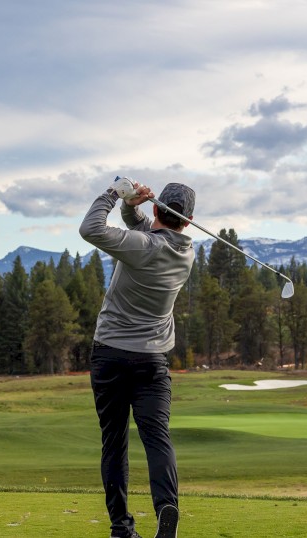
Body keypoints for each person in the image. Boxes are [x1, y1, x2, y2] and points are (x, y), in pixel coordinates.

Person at [79, 177, 196, 538]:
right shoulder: (185, 252)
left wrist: (115, 194)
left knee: (114, 443)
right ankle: (166, 507)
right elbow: (149, 234)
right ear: (188, 222)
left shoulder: (143, 246)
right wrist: (133, 208)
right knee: (157, 437)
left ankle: (121, 528)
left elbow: (91, 228)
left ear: (159, 208)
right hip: (152, 362)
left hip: (111, 355)